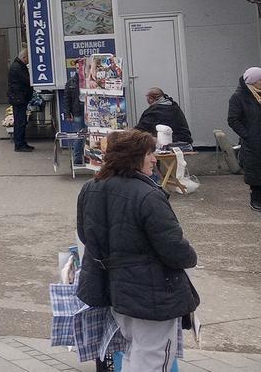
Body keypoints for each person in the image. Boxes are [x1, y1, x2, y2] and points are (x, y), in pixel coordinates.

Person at [75, 130, 199, 369]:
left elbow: (85, 235)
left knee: (135, 352)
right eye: (149, 154)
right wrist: (191, 257)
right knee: (153, 358)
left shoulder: (90, 188)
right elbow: (174, 248)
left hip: (115, 289)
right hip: (151, 293)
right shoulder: (148, 194)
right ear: (133, 158)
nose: (154, 159)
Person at [226, 67, 261, 212]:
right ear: (253, 81)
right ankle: (256, 200)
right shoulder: (238, 97)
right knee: (256, 171)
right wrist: (247, 135)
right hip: (253, 142)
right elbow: (233, 119)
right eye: (260, 79)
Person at [7, 49, 34, 152]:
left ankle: (22, 143)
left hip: (19, 98)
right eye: (28, 58)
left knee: (21, 121)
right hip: (18, 98)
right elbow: (27, 80)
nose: (28, 61)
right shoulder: (17, 68)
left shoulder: (18, 66)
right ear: (24, 58)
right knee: (20, 122)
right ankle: (19, 144)